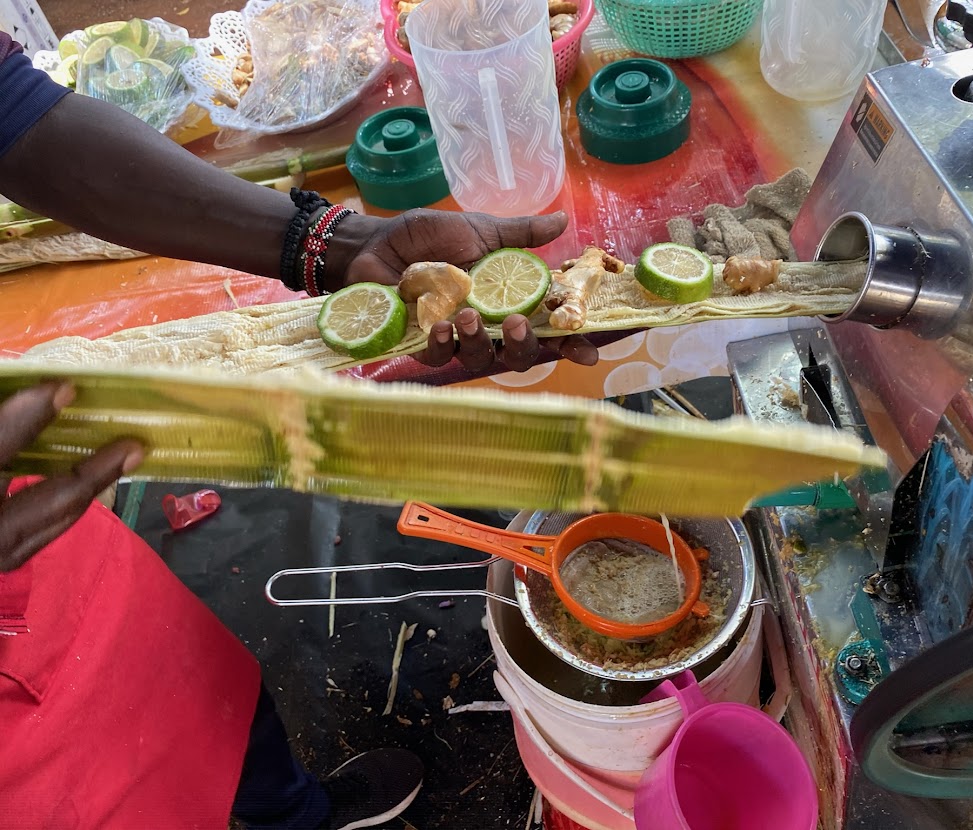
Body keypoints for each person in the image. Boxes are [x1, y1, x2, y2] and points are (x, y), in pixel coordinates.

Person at [0, 29, 597, 830]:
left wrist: (338, 244)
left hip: (34, 525)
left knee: (189, 682)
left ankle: (298, 814)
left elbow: (17, 118)